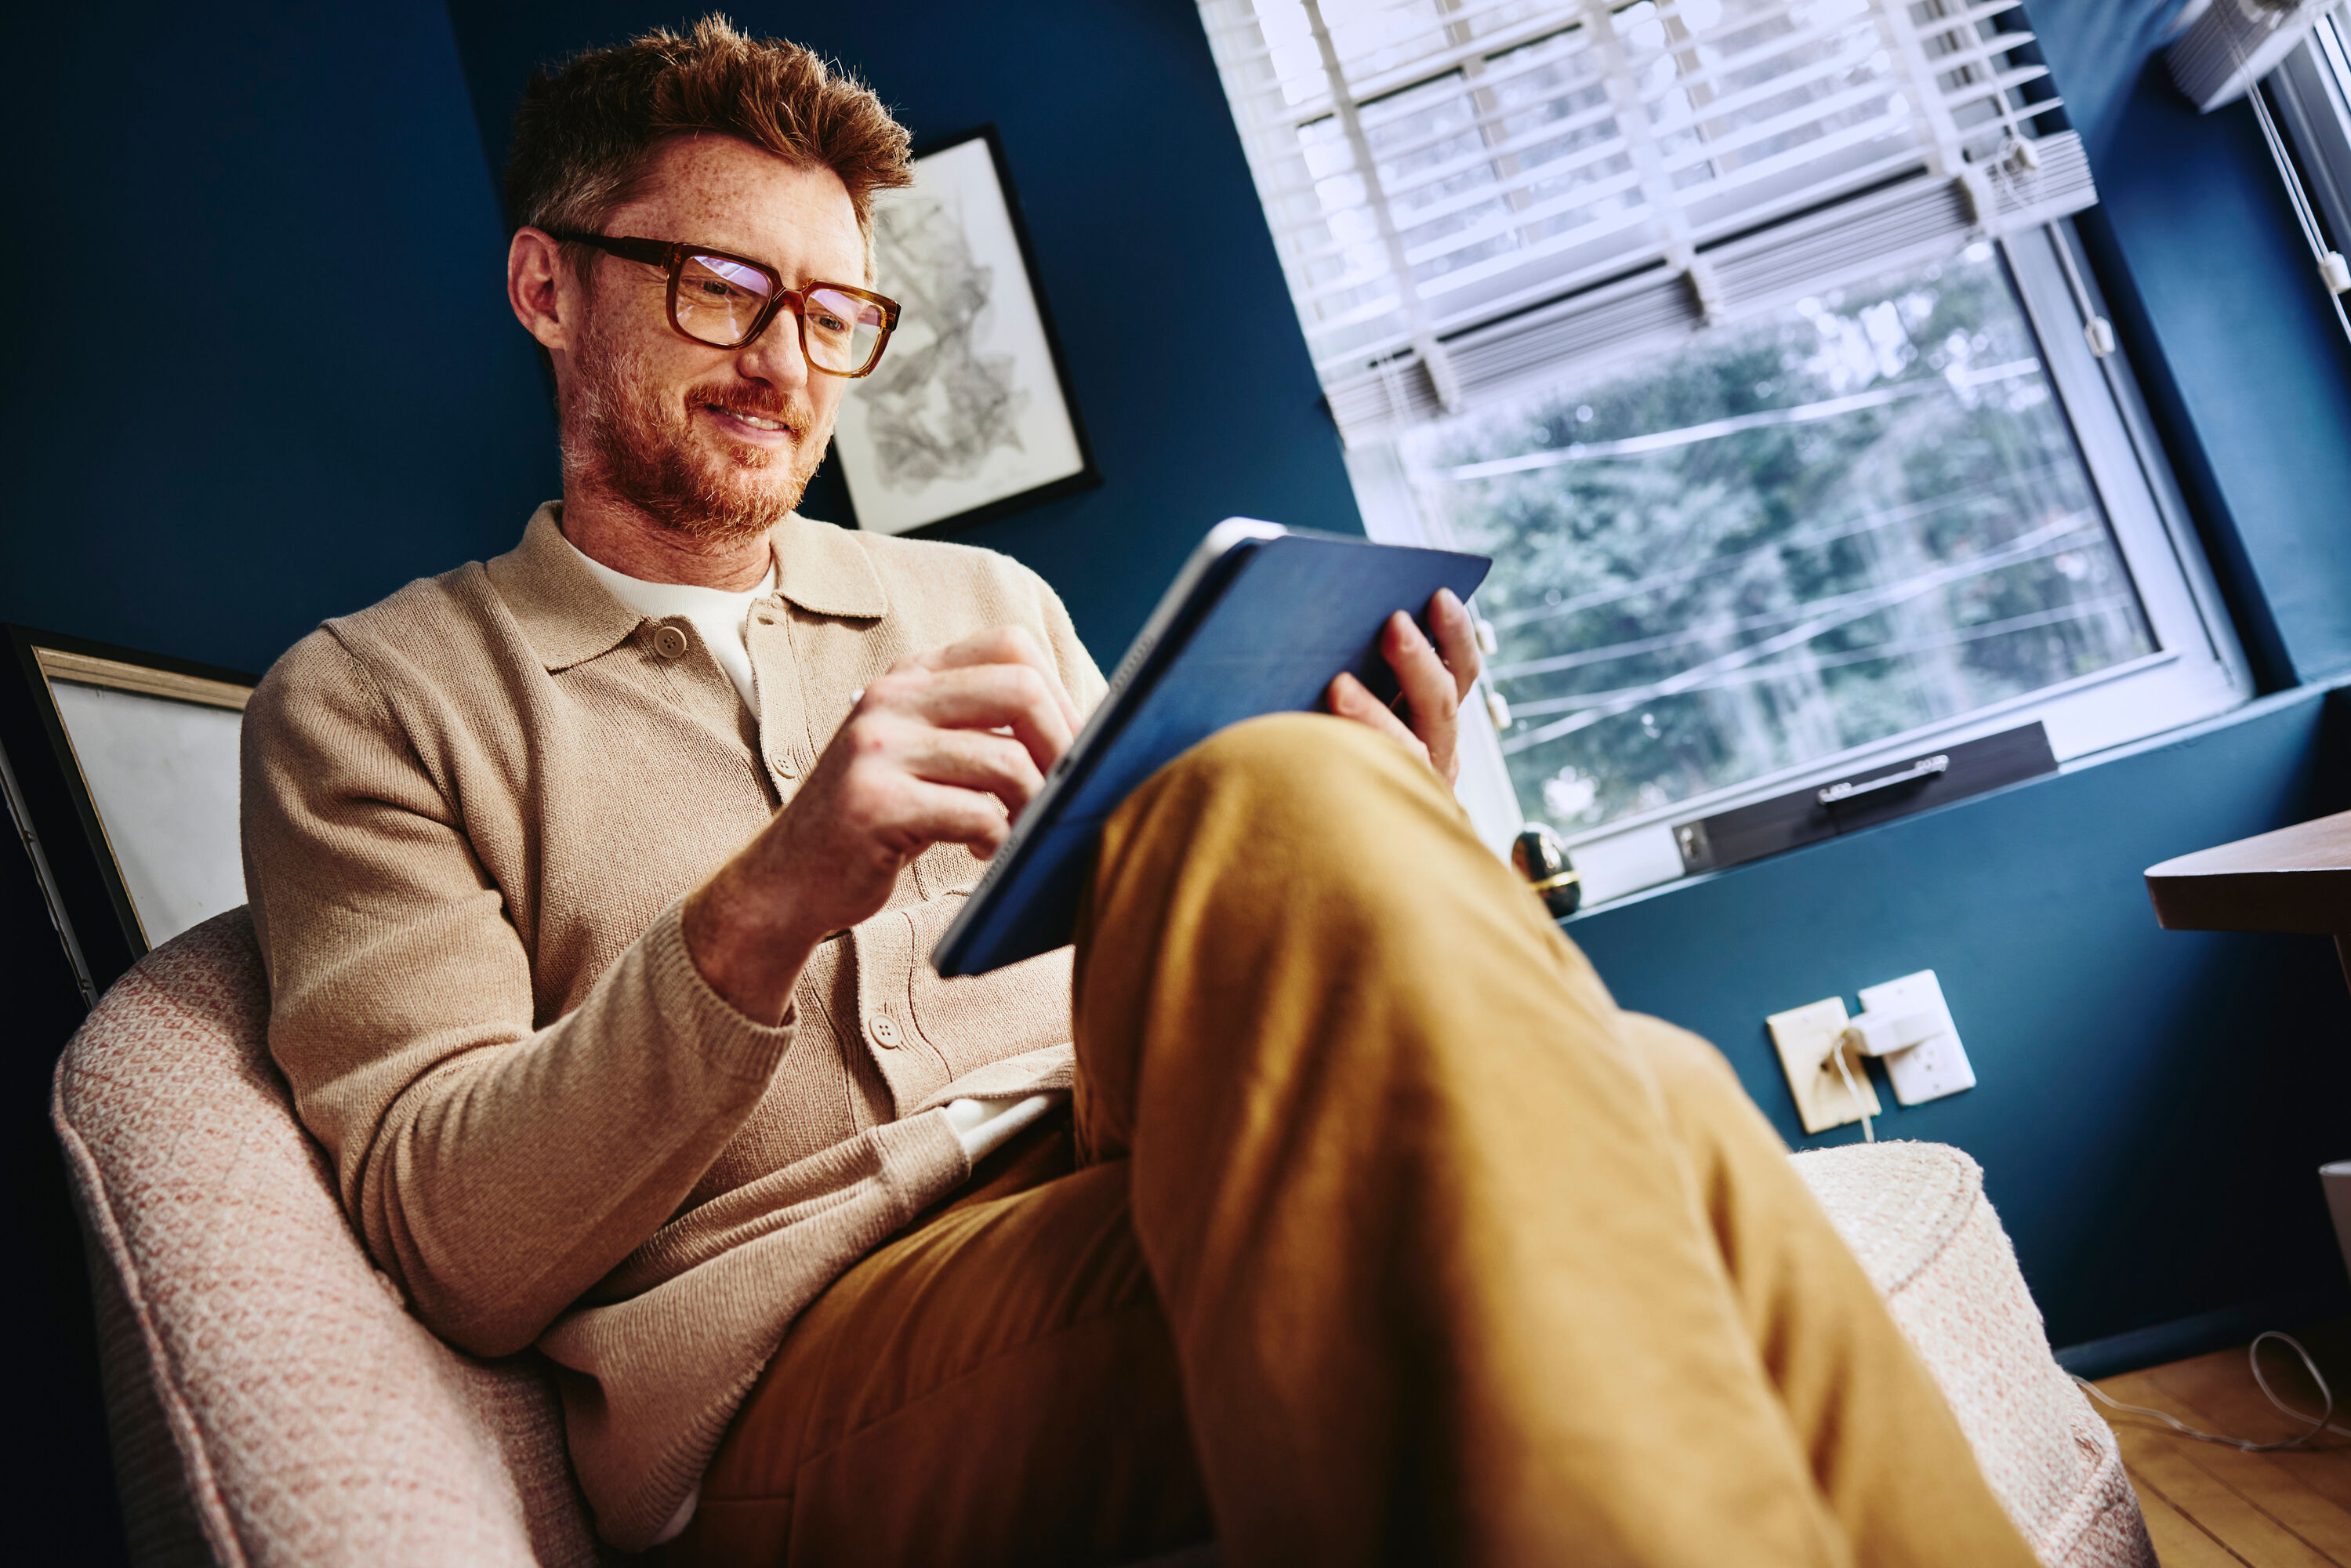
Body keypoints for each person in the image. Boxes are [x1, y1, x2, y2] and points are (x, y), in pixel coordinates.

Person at [239, 17, 2039, 1566]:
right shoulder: (369, 703)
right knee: (1643, 1103)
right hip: (802, 1366)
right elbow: (451, 1238)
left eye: (835, 311)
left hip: (1138, 1146)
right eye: (721, 288)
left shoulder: (977, 606)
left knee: (1458, 925)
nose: (788, 367)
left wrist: (1398, 818)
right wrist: (766, 901)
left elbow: (1191, 934)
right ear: (547, 284)